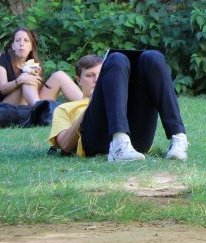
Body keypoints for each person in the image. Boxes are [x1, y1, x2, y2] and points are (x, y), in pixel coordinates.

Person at [48, 50, 188, 161]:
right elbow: (65, 145)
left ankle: (178, 137)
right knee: (116, 58)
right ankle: (118, 141)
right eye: (90, 75)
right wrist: (90, 106)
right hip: (97, 141)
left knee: (153, 57)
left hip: (138, 142)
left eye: (101, 75)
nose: (96, 80)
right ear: (78, 80)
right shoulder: (65, 108)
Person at [0, 27, 84, 105]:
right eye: (17, 40)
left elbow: (33, 93)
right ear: (13, 46)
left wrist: (36, 77)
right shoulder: (3, 59)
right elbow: (3, 88)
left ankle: (87, 108)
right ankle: (39, 111)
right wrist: (20, 80)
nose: (21, 44)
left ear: (31, 46)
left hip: (29, 105)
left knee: (59, 75)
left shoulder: (32, 65)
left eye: (26, 40)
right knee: (28, 79)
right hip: (4, 106)